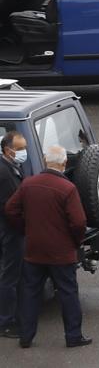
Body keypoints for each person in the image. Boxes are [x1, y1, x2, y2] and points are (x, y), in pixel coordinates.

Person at [5, 146, 88, 349]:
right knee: (68, 293)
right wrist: (75, 242)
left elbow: (10, 209)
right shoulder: (67, 189)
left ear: (44, 161)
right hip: (61, 253)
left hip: (34, 250)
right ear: (63, 163)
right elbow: (78, 222)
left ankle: (26, 336)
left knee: (30, 292)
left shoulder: (28, 184)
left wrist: (25, 228)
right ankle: (73, 336)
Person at [0, 132, 24, 340]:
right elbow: (10, 208)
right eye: (20, 148)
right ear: (9, 150)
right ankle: (5, 321)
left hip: (9, 230)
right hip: (10, 232)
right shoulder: (5, 173)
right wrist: (22, 227)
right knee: (9, 276)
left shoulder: (10, 166)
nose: (23, 152)